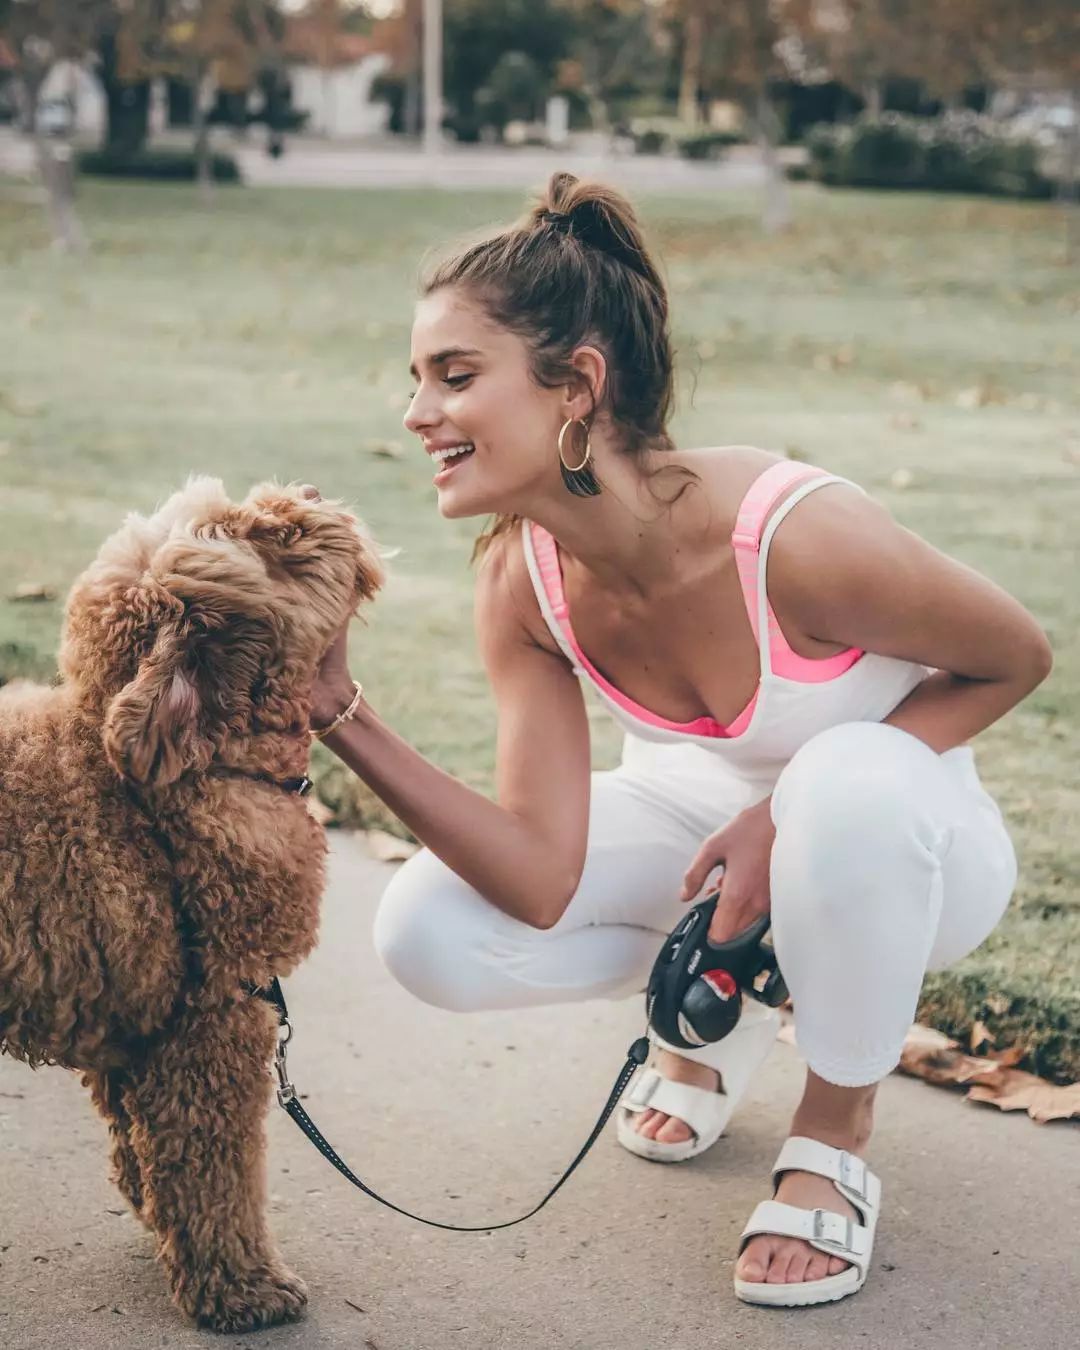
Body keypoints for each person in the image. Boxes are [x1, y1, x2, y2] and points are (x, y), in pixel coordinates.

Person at [304, 172, 1051, 1307]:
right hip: (702, 839)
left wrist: (779, 816)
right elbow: (539, 878)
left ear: (578, 386)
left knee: (840, 788)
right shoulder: (523, 581)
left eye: (455, 376)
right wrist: (338, 714)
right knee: (431, 931)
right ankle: (734, 995)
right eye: (417, 380)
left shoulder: (789, 536)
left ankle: (834, 1134)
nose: (417, 414)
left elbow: (1017, 654)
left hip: (915, 847)